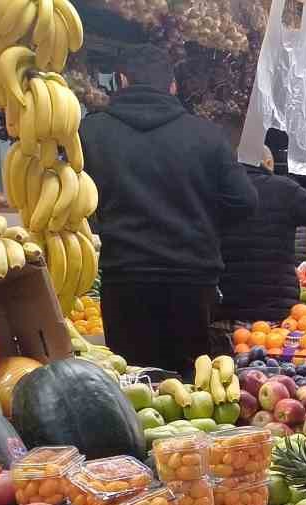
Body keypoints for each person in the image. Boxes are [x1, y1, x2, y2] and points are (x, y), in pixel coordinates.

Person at [80, 45, 257, 375]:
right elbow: (245, 201)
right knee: (193, 386)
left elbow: (76, 198)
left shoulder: (90, 132)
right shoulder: (206, 134)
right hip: (192, 280)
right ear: (173, 86)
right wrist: (204, 222)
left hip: (126, 279)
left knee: (133, 382)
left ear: (121, 80)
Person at [215, 140, 306, 347]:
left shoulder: (213, 191)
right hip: (272, 316)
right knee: (271, 373)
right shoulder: (283, 189)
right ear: (268, 162)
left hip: (221, 311)